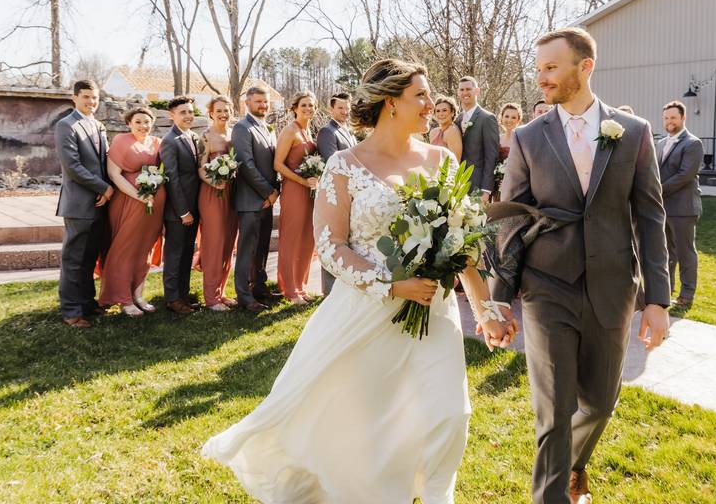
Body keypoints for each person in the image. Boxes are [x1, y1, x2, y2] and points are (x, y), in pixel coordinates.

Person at [202, 58, 517, 504]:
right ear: (391, 103)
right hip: (368, 315)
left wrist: (485, 311)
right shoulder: (344, 166)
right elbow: (330, 246)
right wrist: (391, 284)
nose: (431, 104)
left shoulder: (442, 160)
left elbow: (461, 243)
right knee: (370, 433)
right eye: (421, 96)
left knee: (450, 415)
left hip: (434, 313)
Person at [493, 27, 671, 504]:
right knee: (553, 411)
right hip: (546, 285)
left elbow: (651, 217)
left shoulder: (632, 133)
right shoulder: (529, 137)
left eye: (551, 67)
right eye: (539, 69)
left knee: (599, 402)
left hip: (612, 287)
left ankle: (573, 466)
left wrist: (657, 299)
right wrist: (497, 299)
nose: (541, 78)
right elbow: (510, 221)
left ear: (584, 67)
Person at [54, 80, 114, 328]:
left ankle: (88, 303)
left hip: (101, 203)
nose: (91, 102)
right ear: (75, 98)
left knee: (90, 256)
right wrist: (103, 187)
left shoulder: (98, 125)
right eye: (86, 97)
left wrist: (107, 190)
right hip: (79, 203)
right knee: (74, 259)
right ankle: (71, 311)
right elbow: (73, 166)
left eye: (95, 97)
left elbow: (105, 162)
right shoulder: (66, 125)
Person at [98, 107, 165, 316]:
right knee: (124, 248)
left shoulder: (157, 143)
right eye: (138, 122)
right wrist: (139, 195)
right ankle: (122, 298)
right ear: (129, 123)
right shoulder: (121, 141)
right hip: (128, 201)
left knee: (144, 249)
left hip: (153, 205)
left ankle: (138, 295)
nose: (143, 126)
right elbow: (114, 174)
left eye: (147, 122)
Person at [232, 85, 280, 313]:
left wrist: (275, 190)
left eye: (265, 101)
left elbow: (274, 164)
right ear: (247, 103)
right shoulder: (242, 128)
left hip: (267, 200)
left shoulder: (268, 128)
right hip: (251, 199)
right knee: (246, 249)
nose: (263, 105)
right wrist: (268, 192)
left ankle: (259, 286)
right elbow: (246, 165)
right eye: (258, 101)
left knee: (261, 247)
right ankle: (244, 295)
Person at [657, 100, 704, 310]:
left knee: (685, 252)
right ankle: (666, 290)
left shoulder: (693, 144)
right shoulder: (660, 143)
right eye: (666, 118)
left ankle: (686, 295)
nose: (669, 122)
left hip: (683, 209)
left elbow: (685, 176)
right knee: (666, 252)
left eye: (673, 118)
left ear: (683, 118)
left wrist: (656, 190)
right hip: (663, 208)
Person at [274, 91, 319, 305]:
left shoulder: (309, 131)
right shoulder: (290, 130)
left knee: (307, 237)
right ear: (294, 107)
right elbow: (278, 164)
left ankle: (301, 286)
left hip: (310, 191)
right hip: (294, 189)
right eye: (304, 105)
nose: (308, 109)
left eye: (311, 105)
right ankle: (289, 289)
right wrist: (302, 182)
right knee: (291, 238)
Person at [197, 95, 240, 311]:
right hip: (212, 192)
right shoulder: (205, 136)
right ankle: (211, 298)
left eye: (227, 110)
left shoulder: (234, 134)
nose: (223, 114)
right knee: (214, 243)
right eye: (219, 110)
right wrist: (215, 183)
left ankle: (221, 292)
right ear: (211, 113)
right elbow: (200, 167)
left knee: (228, 243)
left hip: (232, 193)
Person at [160, 96, 201, 315]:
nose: (188, 116)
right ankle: (172, 298)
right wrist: (183, 211)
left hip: (194, 208)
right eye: (183, 112)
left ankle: (183, 294)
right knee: (175, 254)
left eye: (190, 111)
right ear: (172, 115)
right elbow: (172, 178)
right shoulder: (170, 141)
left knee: (187, 252)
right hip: (178, 211)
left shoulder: (193, 137)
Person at [315, 92, 357, 295]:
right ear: (331, 109)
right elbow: (332, 162)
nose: (345, 111)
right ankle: (329, 291)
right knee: (332, 238)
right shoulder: (327, 132)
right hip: (334, 192)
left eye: (347, 107)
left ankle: (342, 289)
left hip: (350, 192)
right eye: (341, 107)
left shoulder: (348, 131)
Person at [454, 76, 499, 202]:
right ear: (458, 92)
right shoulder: (458, 119)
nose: (465, 93)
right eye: (461, 90)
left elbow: (492, 156)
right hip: (459, 185)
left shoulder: (487, 118)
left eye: (468, 89)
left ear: (477, 91)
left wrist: (486, 189)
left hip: (478, 185)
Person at [429, 94, 463, 160]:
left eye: (444, 110)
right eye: (438, 111)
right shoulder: (433, 132)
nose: (441, 114)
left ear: (452, 112)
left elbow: (455, 163)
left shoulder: (452, 131)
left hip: (446, 170)